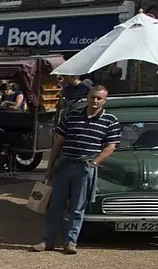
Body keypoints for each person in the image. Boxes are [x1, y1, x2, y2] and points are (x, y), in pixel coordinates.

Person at [33, 83, 121, 255]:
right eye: (92, 97)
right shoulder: (72, 115)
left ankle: (70, 242)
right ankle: (47, 241)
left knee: (77, 207)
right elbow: (58, 142)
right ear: (87, 97)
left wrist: (94, 163)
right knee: (55, 206)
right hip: (65, 164)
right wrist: (49, 167)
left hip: (85, 166)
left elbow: (110, 146)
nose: (95, 101)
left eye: (99, 98)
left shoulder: (110, 120)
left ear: (104, 100)